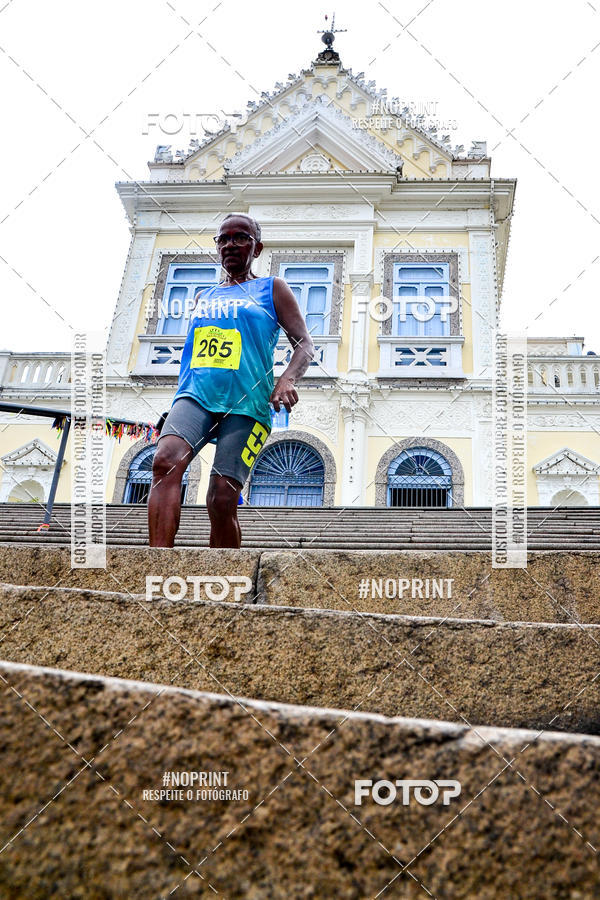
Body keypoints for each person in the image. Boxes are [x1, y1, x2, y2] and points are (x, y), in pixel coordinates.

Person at [148, 213, 315, 548]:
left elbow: (305, 345)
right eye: (223, 239)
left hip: (247, 403)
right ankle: (157, 566)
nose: (230, 245)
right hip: (195, 395)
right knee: (165, 462)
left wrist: (287, 379)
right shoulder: (203, 296)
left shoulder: (272, 288)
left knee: (222, 497)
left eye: (240, 237)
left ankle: (226, 581)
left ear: (257, 247)